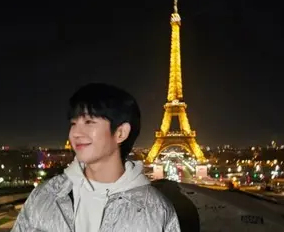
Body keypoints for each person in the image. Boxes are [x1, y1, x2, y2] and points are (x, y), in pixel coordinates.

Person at [11, 83, 181, 232]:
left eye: (89, 122)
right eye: (73, 123)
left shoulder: (158, 211)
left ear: (121, 133)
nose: (75, 133)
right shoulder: (44, 196)